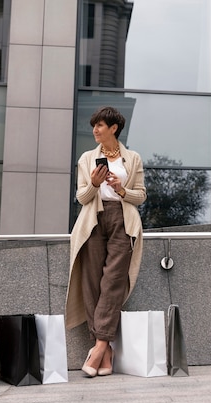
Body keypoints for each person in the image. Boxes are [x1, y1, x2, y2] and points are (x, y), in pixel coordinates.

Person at [65, 106, 146, 377]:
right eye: (94, 126)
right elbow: (82, 198)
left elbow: (141, 196)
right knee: (91, 281)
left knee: (113, 281)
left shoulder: (132, 158)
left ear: (114, 128)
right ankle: (107, 350)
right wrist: (95, 184)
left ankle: (98, 347)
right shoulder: (87, 159)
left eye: (100, 125)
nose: (95, 130)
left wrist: (121, 189)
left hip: (122, 220)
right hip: (93, 221)